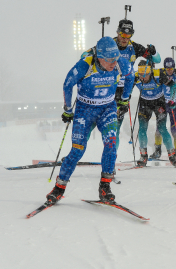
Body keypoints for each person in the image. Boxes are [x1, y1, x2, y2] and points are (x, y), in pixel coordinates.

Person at [46, 37, 134, 205]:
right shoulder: (85, 65)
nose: (112, 63)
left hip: (107, 108)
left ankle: (105, 187)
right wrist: (67, 110)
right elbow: (67, 84)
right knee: (78, 150)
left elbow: (130, 77)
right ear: (99, 56)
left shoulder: (120, 62)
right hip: (84, 111)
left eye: (114, 58)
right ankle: (59, 188)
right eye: (108, 59)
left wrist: (124, 99)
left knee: (111, 144)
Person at [81, 19, 160, 149]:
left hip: (123, 92)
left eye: (128, 35)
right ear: (117, 32)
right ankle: (77, 151)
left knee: (114, 128)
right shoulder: (109, 44)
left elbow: (157, 59)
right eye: (122, 34)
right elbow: (84, 55)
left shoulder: (135, 47)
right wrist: (95, 57)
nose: (125, 38)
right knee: (91, 124)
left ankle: (111, 158)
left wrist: (153, 52)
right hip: (106, 87)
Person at [133, 60, 176, 168]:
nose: (143, 77)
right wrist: (124, 101)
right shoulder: (135, 76)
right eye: (141, 74)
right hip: (144, 103)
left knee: (162, 129)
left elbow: (173, 86)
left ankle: (172, 155)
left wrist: (172, 100)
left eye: (146, 74)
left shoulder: (159, 75)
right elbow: (125, 87)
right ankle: (143, 155)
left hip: (159, 103)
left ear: (151, 71)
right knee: (142, 129)